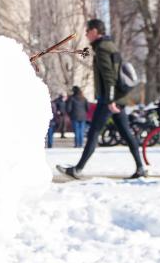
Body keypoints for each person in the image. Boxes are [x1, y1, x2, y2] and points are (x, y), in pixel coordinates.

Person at [57, 19, 146, 180]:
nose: (86, 34)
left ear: (95, 31)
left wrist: (110, 100)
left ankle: (77, 169)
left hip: (109, 100)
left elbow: (109, 77)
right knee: (126, 133)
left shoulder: (103, 49)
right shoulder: (109, 46)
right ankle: (140, 167)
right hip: (117, 98)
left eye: (88, 31)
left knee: (94, 133)